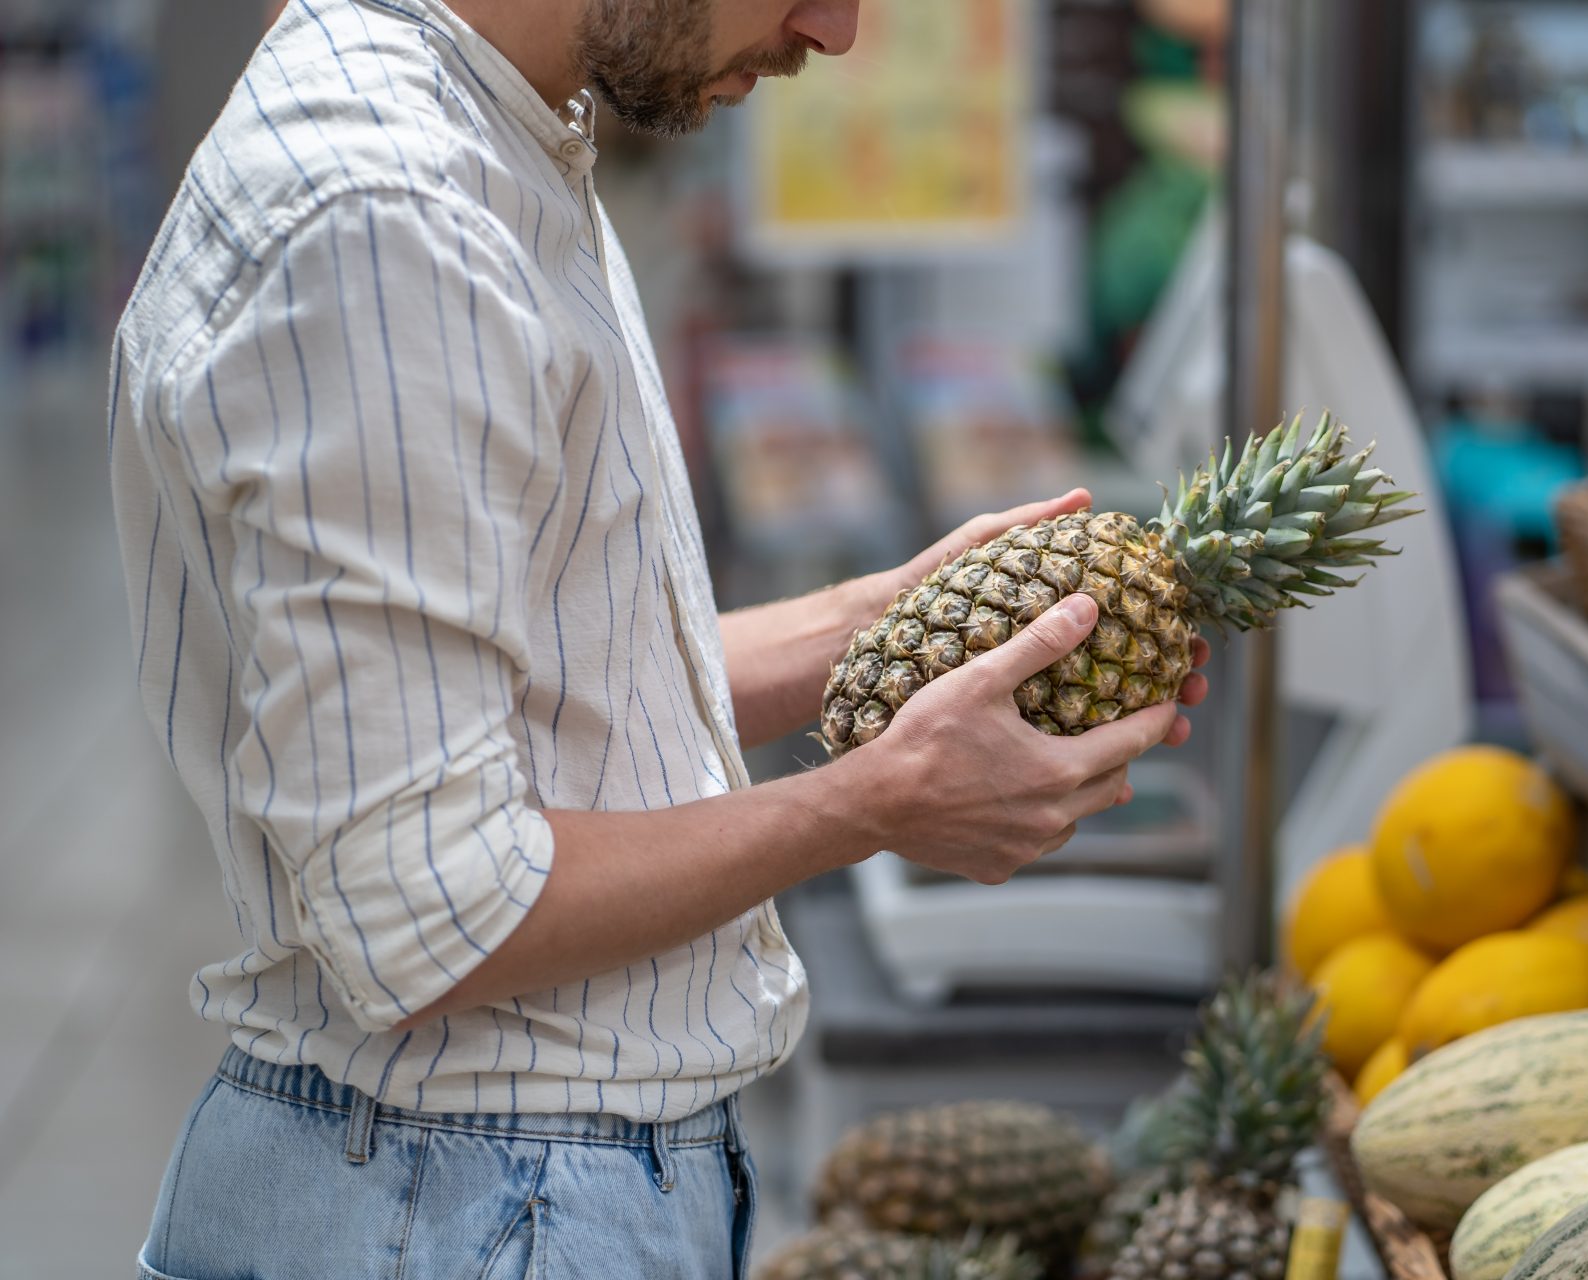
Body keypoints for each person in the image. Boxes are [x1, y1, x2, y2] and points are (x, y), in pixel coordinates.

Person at [110, 1, 1211, 1276]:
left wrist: (884, 619)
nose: (837, 31)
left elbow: (549, 691)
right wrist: (871, 801)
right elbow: (432, 903)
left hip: (468, 1184)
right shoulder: (390, 217)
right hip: (473, 1201)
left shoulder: (489, 136)